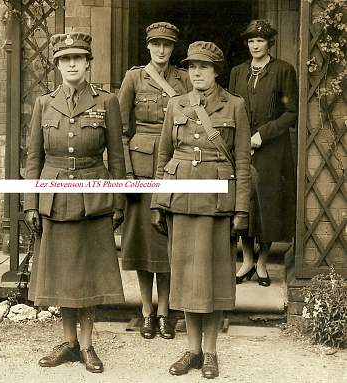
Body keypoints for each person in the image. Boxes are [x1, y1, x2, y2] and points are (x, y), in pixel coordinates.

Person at [24, 32, 126, 374]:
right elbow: (33, 158)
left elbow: (117, 157)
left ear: (87, 63)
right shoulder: (44, 103)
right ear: (57, 65)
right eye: (65, 59)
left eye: (77, 59)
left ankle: (87, 344)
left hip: (93, 195)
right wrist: (30, 203)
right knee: (62, 272)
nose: (71, 64)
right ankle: (68, 342)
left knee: (90, 273)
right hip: (54, 197)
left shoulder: (106, 102)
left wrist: (119, 201)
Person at [151, 41, 251, 378]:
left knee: (211, 279)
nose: (196, 72)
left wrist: (242, 209)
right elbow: (163, 156)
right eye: (192, 67)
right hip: (180, 201)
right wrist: (157, 201)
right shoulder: (176, 104)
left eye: (204, 67)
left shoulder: (234, 105)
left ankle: (210, 351)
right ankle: (190, 349)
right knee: (185, 279)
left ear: (216, 71)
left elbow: (242, 161)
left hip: (216, 203)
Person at [118, 22, 191, 340]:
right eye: (156, 44)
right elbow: (120, 130)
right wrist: (128, 176)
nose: (161, 50)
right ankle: (146, 311)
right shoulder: (134, 78)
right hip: (141, 170)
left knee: (167, 247)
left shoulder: (184, 79)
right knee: (143, 248)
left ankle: (166, 312)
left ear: (173, 49)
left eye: (167, 45)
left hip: (173, 168)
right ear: (148, 47)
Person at [229, 20, 298, 287]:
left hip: (272, 149)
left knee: (267, 204)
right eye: (250, 41)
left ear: (269, 43)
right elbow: (231, 107)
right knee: (245, 202)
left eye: (260, 41)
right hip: (242, 146)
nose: (255, 45)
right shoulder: (238, 72)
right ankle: (246, 259)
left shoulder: (283, 70)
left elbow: (292, 113)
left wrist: (264, 133)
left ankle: (262, 262)